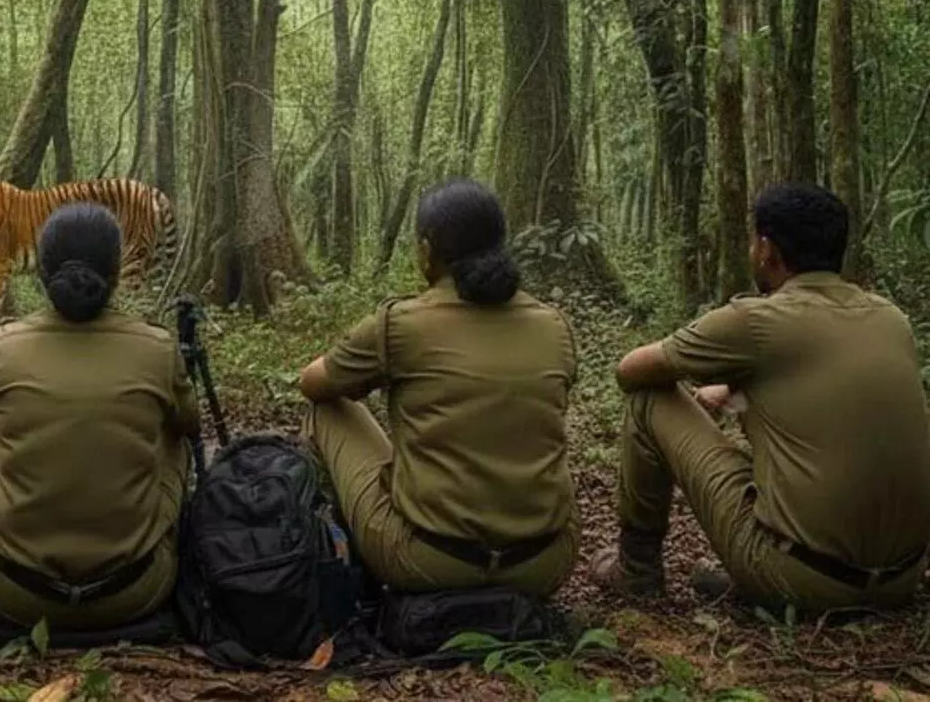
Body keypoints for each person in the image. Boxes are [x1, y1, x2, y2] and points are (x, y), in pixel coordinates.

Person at [596, 183, 930, 610]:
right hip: (901, 580)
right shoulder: (891, 319)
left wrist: (724, 382)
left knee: (648, 399)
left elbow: (630, 370)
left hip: (799, 580)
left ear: (767, 250)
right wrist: (735, 389)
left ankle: (637, 570)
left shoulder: (755, 321)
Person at [298, 180, 580, 597]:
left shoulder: (400, 324)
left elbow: (312, 383)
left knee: (326, 409)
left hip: (427, 563)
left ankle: (341, 569)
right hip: (543, 566)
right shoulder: (555, 326)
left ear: (427, 250)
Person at [0, 202, 198, 630]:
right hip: (138, 592)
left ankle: (3, 538)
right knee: (177, 431)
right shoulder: (158, 348)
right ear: (117, 273)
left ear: (41, 273)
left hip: (10, 594)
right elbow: (192, 425)